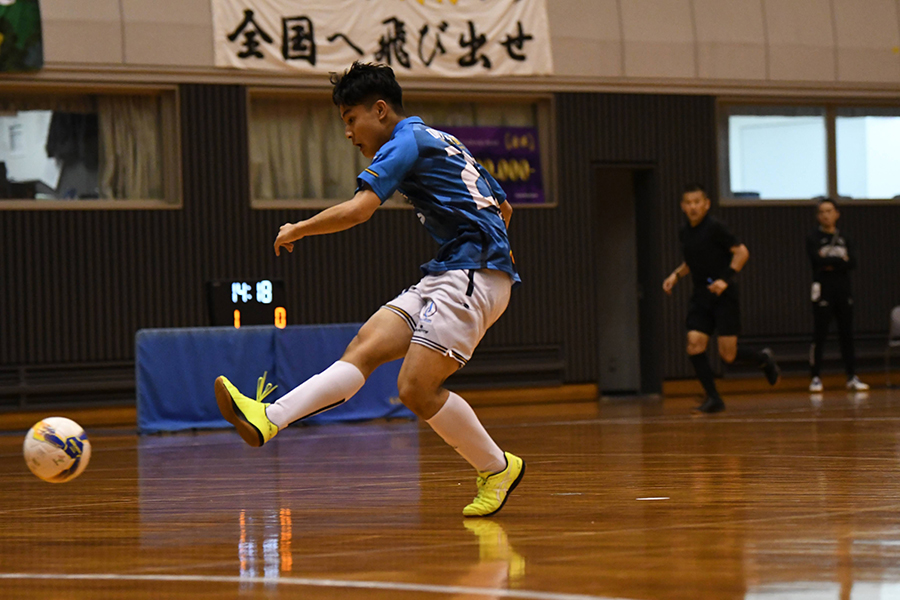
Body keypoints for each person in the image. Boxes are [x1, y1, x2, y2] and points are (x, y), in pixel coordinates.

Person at [213, 62, 524, 517]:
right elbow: (504, 207)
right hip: (455, 271)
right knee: (364, 347)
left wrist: (299, 228)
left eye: (350, 118)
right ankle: (269, 417)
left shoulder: (404, 141)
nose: (348, 133)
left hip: (471, 274)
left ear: (380, 110)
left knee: (415, 390)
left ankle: (497, 467)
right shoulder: (444, 139)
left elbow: (360, 209)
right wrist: (496, 250)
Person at [663, 183, 781, 413]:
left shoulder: (715, 228)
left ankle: (762, 358)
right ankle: (714, 398)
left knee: (728, 354)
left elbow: (741, 252)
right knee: (694, 344)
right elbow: (693, 260)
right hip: (701, 295)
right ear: (683, 206)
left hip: (723, 296)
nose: (693, 207)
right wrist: (675, 275)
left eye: (697, 202)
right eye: (688, 203)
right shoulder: (684, 232)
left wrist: (724, 279)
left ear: (706, 204)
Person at [807, 198, 869, 393]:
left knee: (847, 335)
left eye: (829, 211)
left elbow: (852, 262)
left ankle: (851, 376)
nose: (826, 215)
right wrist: (839, 260)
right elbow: (817, 261)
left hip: (843, 290)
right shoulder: (813, 238)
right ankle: (815, 377)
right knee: (820, 335)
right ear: (818, 216)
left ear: (836, 214)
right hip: (823, 291)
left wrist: (832, 261)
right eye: (822, 212)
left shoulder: (845, 237)